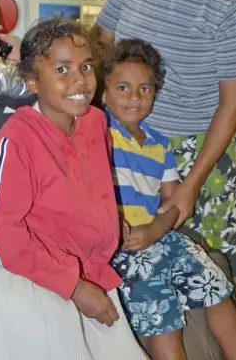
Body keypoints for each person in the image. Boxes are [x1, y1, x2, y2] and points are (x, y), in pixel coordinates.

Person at [0, 19, 147, 359]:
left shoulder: (96, 122)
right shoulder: (18, 138)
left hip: (89, 269)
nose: (80, 80)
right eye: (62, 70)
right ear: (33, 81)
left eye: (85, 67)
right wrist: (74, 286)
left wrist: (109, 220)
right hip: (32, 276)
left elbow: (91, 184)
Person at [96, 0, 236, 276]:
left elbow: (231, 107)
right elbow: (101, 45)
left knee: (206, 274)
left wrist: (189, 186)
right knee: (127, 268)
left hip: (198, 158)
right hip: (124, 146)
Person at [101, 38, 236, 360]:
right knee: (163, 317)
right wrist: (128, 229)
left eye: (145, 89)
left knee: (216, 289)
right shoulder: (97, 131)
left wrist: (156, 230)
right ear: (103, 92)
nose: (134, 97)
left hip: (161, 237)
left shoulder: (160, 146)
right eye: (122, 88)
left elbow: (173, 203)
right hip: (123, 246)